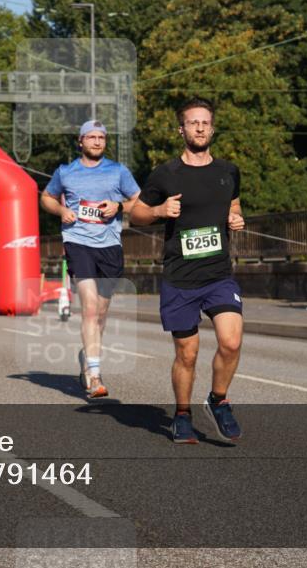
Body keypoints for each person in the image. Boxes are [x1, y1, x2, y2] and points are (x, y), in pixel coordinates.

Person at [131, 98, 245, 443]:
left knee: (231, 340)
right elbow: (136, 214)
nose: (199, 128)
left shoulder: (228, 171)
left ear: (212, 128)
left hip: (218, 274)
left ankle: (218, 400)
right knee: (188, 353)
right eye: (193, 123)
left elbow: (235, 205)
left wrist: (236, 218)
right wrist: (160, 210)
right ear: (181, 129)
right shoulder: (166, 174)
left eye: (205, 122)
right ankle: (182, 413)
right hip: (180, 276)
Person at [41, 120, 141, 399]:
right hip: (78, 242)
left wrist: (120, 206)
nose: (97, 142)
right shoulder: (66, 172)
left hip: (110, 245)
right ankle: (94, 375)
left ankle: (88, 354)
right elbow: (46, 197)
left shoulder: (118, 171)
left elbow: (139, 200)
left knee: (101, 314)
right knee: (89, 307)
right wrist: (61, 211)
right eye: (91, 137)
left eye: (101, 138)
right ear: (80, 141)